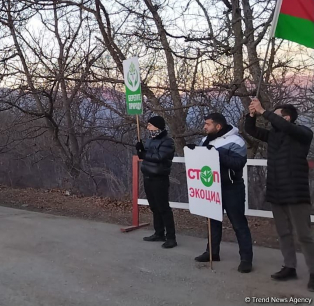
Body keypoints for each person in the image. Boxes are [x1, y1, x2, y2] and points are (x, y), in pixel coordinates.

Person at [246, 99, 314, 291]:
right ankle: (289, 266)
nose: (271, 120)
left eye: (276, 116)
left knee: (304, 235)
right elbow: (252, 131)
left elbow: (286, 127)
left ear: (287, 117)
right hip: (277, 191)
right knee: (283, 233)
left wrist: (263, 111)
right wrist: (251, 115)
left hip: (295, 192)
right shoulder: (274, 136)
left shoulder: (302, 133)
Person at [187, 113, 253, 273]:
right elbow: (202, 163)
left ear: (218, 126)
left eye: (207, 124)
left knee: (238, 223)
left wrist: (217, 153)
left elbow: (238, 164)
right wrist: (194, 152)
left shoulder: (236, 141)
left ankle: (246, 259)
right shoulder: (205, 140)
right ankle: (212, 252)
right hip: (212, 186)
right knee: (213, 221)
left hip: (231, 187)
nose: (204, 127)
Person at [135, 116, 177, 249]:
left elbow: (160, 157)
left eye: (150, 125)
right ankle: (159, 233)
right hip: (148, 175)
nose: (148, 127)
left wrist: (143, 155)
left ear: (157, 126)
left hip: (159, 178)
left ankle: (171, 237)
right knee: (154, 207)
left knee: (163, 208)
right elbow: (148, 154)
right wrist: (141, 149)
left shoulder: (167, 141)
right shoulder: (150, 140)